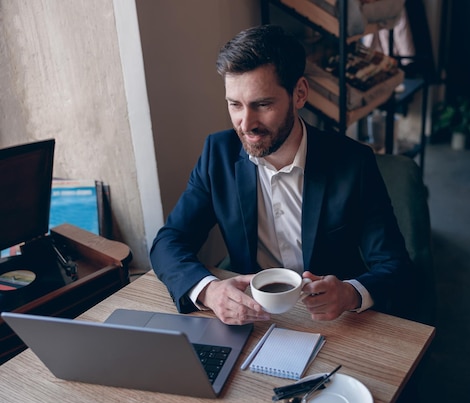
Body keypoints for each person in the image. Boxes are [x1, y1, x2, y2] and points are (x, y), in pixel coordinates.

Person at [150, 24, 417, 326]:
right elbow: (168, 242)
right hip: (252, 321)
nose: (246, 123)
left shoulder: (354, 163)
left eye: (262, 105)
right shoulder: (218, 154)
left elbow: (394, 265)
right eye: (234, 105)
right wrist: (210, 292)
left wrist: (351, 294)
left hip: (334, 321)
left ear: (299, 93)